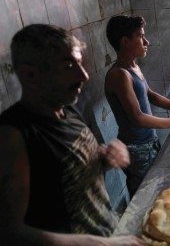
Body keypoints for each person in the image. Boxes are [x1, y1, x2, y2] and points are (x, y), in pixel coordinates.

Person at [0, 24, 145, 245]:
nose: (84, 75)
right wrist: (102, 244)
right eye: (68, 66)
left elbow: (69, 177)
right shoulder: (14, 136)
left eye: (79, 62)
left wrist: (106, 158)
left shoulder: (65, 109)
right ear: (30, 74)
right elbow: (11, 233)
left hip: (109, 232)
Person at [105, 15, 170, 196]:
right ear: (125, 41)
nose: (147, 41)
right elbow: (137, 117)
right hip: (136, 148)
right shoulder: (119, 75)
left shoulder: (133, 67)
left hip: (148, 142)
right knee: (144, 195)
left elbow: (150, 95)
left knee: (155, 190)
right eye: (140, 36)